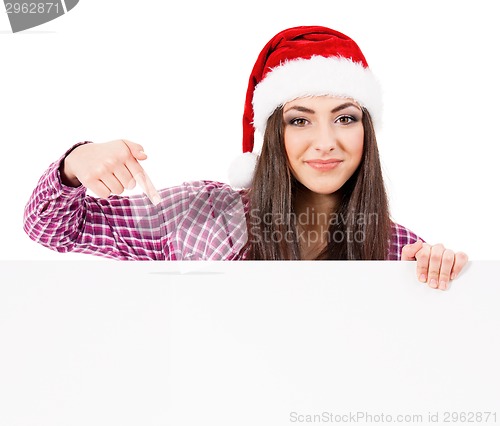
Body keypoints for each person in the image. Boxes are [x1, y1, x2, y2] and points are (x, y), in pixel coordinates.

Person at [23, 25, 468, 290]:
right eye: (299, 121)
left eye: (346, 118)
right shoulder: (196, 216)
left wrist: (443, 275)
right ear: (270, 136)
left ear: (367, 131)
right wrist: (75, 163)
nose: (326, 141)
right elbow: (56, 229)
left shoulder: (396, 249)